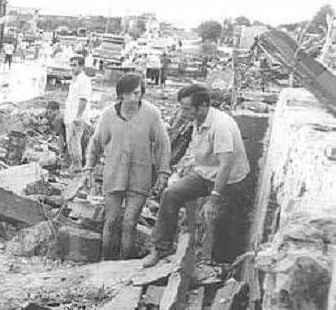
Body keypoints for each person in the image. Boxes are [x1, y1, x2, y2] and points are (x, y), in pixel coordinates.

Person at [144, 84, 251, 267]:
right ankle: (161, 248)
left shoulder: (220, 126)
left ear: (202, 106)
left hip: (229, 181)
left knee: (216, 223)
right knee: (171, 194)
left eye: (186, 109)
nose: (182, 112)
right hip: (205, 174)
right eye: (181, 108)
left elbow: (226, 165)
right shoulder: (196, 120)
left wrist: (213, 198)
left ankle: (217, 266)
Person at [84, 74, 171, 260]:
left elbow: (163, 144)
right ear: (121, 94)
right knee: (111, 220)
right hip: (114, 174)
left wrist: (163, 172)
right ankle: (106, 261)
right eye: (129, 94)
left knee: (129, 223)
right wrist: (88, 168)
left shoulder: (151, 114)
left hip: (139, 176)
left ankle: (125, 265)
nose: (134, 98)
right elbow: (97, 142)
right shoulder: (108, 114)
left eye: (138, 93)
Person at [64, 55, 92, 170]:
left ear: (81, 66)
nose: (72, 68)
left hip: (77, 118)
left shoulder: (84, 80)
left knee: (74, 142)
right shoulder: (74, 81)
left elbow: (83, 99)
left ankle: (77, 167)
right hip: (70, 117)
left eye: (75, 65)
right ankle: (75, 166)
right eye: (71, 65)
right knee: (71, 142)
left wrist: (78, 116)